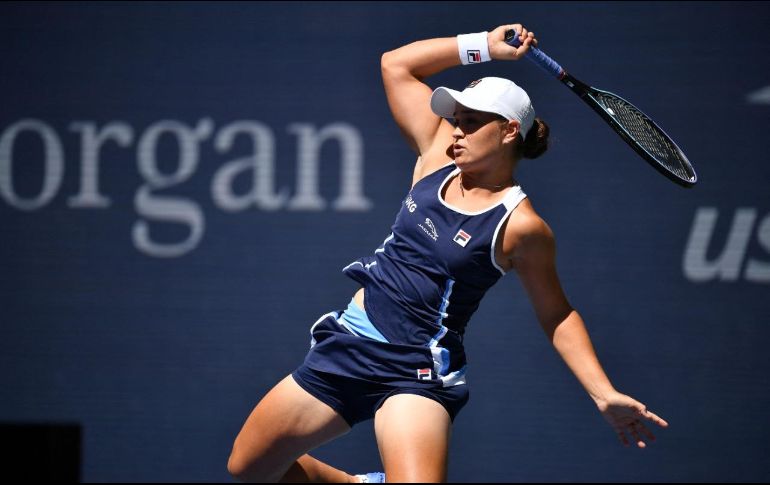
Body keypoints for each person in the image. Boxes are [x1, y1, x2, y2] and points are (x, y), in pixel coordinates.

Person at [227, 23, 669, 483]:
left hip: (415, 372)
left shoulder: (520, 226)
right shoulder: (438, 151)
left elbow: (556, 314)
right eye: (457, 118)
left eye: (472, 122)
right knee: (250, 469)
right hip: (349, 346)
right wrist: (484, 47)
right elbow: (395, 64)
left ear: (507, 131)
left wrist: (602, 393)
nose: (457, 131)